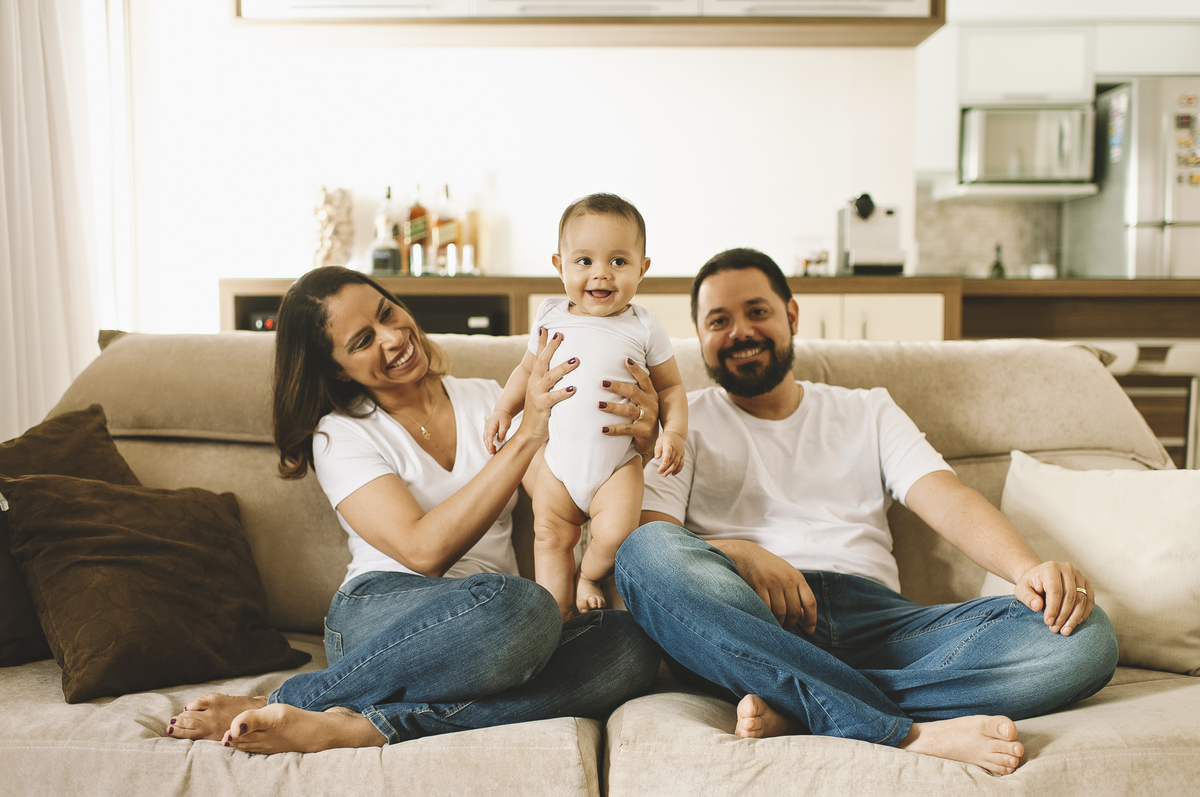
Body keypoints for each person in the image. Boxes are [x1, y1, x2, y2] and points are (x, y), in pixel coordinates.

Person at [613, 248, 1119, 776]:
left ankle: (806, 704)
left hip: (883, 627)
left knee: (1084, 639)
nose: (741, 331)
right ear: (699, 336)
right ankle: (902, 730)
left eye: (757, 311)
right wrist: (738, 554)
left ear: (791, 314)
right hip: (749, 621)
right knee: (640, 553)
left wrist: (1026, 570)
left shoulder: (867, 409)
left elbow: (946, 496)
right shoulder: (684, 425)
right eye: (719, 321)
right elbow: (657, 542)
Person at [166, 266, 661, 754]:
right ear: (337, 368)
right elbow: (425, 551)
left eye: (387, 313)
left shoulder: (487, 399)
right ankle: (294, 699)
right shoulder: (339, 433)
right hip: (383, 613)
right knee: (525, 607)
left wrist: (627, 447)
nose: (392, 337)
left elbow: (567, 500)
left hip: (491, 637)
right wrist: (528, 433)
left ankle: (368, 727)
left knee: (630, 647)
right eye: (362, 341)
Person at [485, 194, 688, 621]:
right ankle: (554, 619)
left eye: (618, 261)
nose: (601, 273)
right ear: (559, 266)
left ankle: (588, 576)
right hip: (557, 465)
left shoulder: (644, 325)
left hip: (618, 466)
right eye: (584, 261)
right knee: (550, 536)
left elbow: (671, 388)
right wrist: (505, 409)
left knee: (616, 534)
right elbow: (526, 371)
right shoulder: (549, 315)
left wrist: (673, 433)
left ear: (642, 268)